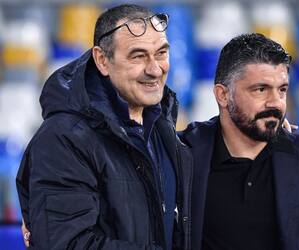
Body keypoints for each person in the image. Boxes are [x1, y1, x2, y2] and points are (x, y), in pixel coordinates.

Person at [16, 4, 193, 250]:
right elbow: (66, 244)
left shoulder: (162, 127)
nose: (155, 69)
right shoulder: (62, 139)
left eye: (161, 53)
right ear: (102, 60)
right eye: (138, 56)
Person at [179, 33, 299, 250]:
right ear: (223, 95)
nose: (275, 103)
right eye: (261, 89)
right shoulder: (187, 150)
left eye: (282, 90)